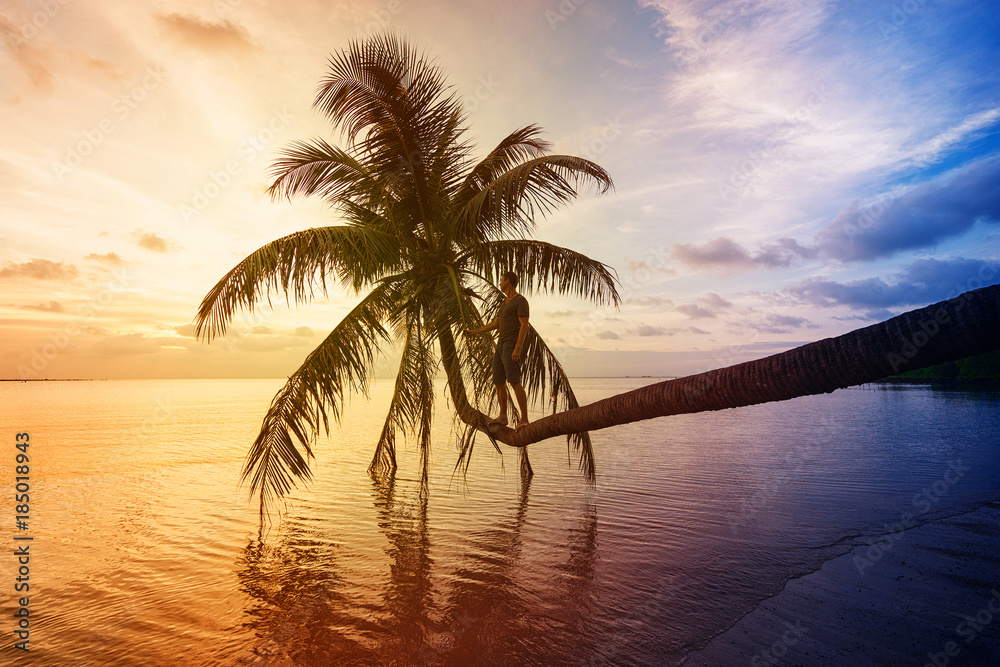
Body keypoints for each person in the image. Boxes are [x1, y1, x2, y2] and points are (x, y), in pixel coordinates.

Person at [465, 271, 530, 431]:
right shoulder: (504, 303)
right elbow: (495, 324)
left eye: (501, 280)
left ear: (507, 281)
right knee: (498, 382)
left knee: (514, 381)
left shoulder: (520, 301)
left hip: (510, 344)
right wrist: (474, 331)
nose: (500, 283)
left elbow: (524, 325)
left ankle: (525, 419)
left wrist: (517, 348)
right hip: (500, 345)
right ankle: (503, 416)